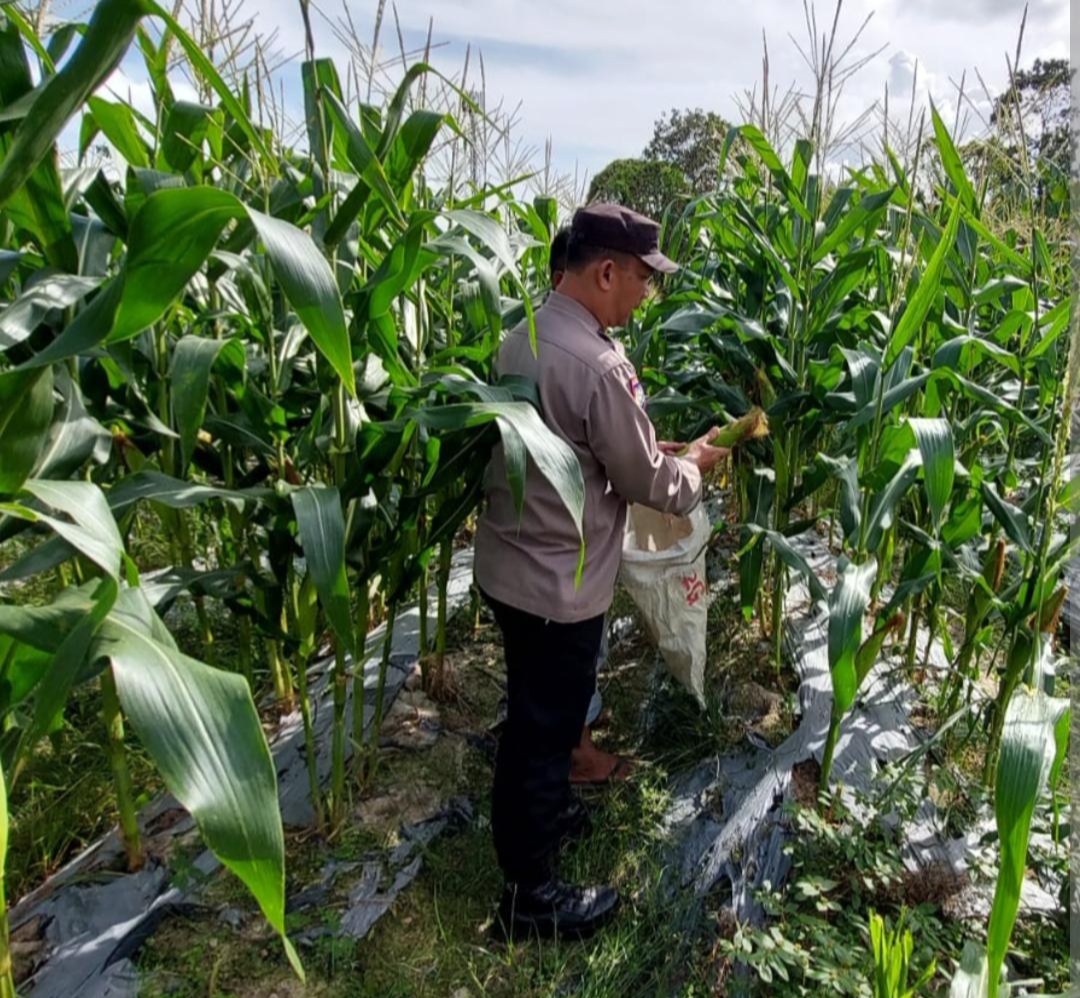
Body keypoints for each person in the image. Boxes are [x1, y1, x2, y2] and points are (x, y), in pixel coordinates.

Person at [475, 203, 728, 940]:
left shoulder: (521, 334)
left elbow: (580, 447)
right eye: (645, 277)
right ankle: (531, 897)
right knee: (542, 729)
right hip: (560, 581)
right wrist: (695, 468)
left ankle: (545, 814)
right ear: (608, 270)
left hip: (510, 565)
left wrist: (654, 454)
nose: (648, 293)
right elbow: (650, 482)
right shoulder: (599, 362)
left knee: (533, 710)